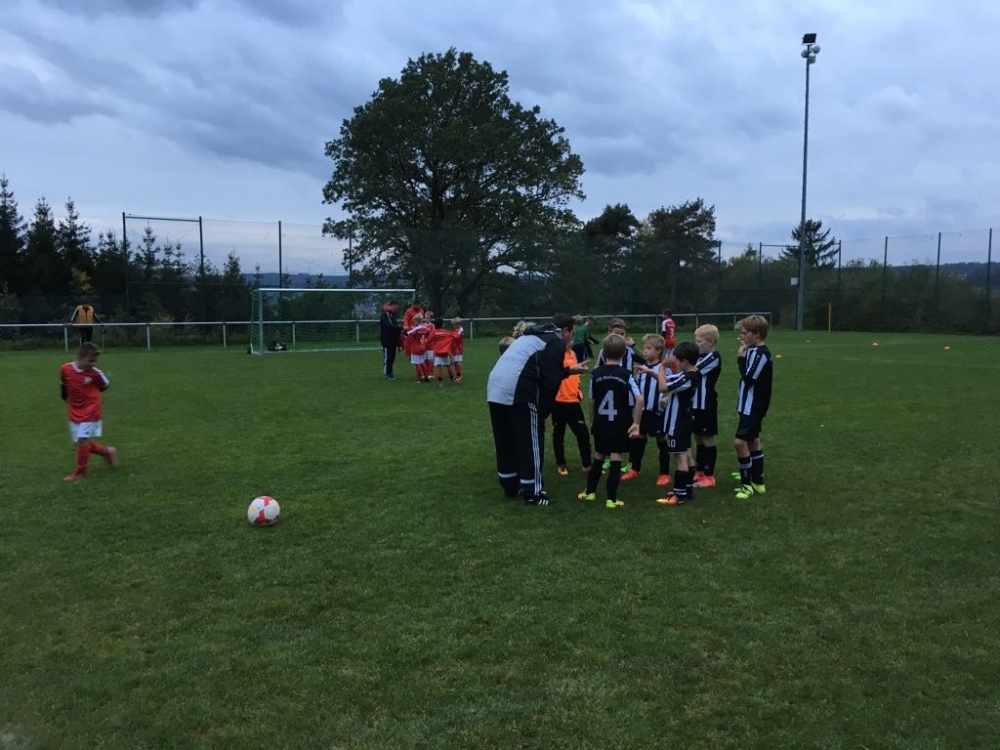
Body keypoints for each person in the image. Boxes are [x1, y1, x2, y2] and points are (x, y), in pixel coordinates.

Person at [486, 313, 587, 506]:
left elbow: (541, 368)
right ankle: (533, 493)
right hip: (519, 389)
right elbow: (550, 381)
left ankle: (510, 485)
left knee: (505, 439)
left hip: (495, 387)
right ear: (565, 331)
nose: (571, 339)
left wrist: (568, 371)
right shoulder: (556, 341)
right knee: (530, 441)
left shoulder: (532, 336)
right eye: (572, 334)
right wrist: (543, 414)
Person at [577, 334, 643, 509]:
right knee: (616, 456)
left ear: (603, 353)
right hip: (620, 423)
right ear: (623, 354)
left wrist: (592, 421)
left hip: (601, 422)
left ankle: (589, 492)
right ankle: (611, 499)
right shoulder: (626, 374)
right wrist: (636, 423)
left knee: (598, 455)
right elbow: (640, 399)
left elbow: (591, 401)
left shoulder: (596, 374)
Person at [640, 341, 700, 506]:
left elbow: (662, 386)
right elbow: (668, 379)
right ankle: (686, 490)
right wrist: (650, 371)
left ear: (684, 361)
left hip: (678, 422)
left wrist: (661, 367)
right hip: (685, 421)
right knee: (687, 455)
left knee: (680, 457)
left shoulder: (688, 377)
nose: (676, 363)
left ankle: (679, 495)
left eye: (678, 361)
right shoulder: (693, 373)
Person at [60, 341, 119, 482]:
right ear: (80, 357)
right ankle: (107, 451)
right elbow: (63, 384)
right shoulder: (65, 368)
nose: (93, 363)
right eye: (90, 360)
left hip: (91, 409)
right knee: (80, 443)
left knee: (82, 440)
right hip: (74, 409)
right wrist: (66, 398)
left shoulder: (95, 373)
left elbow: (105, 385)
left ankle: (80, 472)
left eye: (95, 361)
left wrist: (91, 395)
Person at [621, 333, 672, 486]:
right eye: (644, 347)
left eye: (649, 348)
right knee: (639, 439)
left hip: (657, 412)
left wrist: (667, 398)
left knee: (661, 441)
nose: (645, 350)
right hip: (642, 412)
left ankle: (664, 473)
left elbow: (672, 386)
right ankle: (635, 469)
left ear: (658, 350)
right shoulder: (641, 368)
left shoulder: (663, 368)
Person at [733, 315, 773, 500]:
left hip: (753, 407)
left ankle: (746, 485)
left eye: (744, 333)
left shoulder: (761, 354)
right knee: (753, 441)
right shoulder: (752, 350)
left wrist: (740, 359)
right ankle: (758, 481)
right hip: (747, 406)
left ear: (756, 334)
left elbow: (749, 379)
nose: (742, 337)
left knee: (739, 442)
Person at [552, 342, 592, 477]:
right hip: (559, 402)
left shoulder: (573, 354)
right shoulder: (556, 355)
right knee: (559, 435)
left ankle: (587, 464)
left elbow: (575, 376)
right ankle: (561, 464)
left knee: (583, 434)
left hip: (573, 402)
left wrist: (577, 389)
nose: (571, 340)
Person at [691, 324, 723, 488]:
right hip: (694, 404)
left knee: (707, 438)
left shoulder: (713, 357)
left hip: (706, 404)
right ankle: (699, 471)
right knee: (698, 437)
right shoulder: (698, 357)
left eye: (699, 341)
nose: (696, 345)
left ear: (711, 342)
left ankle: (709, 476)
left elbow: (693, 372)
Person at [428, 319, 457, 386]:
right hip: (445, 352)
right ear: (442, 325)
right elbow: (455, 336)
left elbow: (428, 340)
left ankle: (441, 382)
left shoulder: (434, 332)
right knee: (448, 366)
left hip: (438, 353)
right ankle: (452, 379)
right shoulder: (446, 332)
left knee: (439, 368)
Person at [379, 300, 402, 380]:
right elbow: (390, 326)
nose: (397, 310)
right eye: (396, 308)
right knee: (388, 357)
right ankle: (387, 373)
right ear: (391, 306)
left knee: (392, 357)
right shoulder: (386, 315)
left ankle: (390, 372)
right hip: (387, 341)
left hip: (393, 341)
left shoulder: (393, 316)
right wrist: (399, 328)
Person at [406, 314, 432, 383]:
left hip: (416, 348)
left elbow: (407, 333)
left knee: (417, 363)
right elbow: (428, 334)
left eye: (414, 321)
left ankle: (419, 379)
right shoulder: (425, 328)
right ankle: (426, 377)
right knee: (422, 362)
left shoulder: (416, 328)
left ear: (417, 321)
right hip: (422, 347)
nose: (414, 323)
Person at [450, 317, 465, 382]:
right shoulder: (456, 330)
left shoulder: (461, 329)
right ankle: (457, 374)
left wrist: (450, 334)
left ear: (458, 324)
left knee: (458, 362)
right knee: (455, 362)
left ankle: (459, 375)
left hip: (458, 348)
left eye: (454, 324)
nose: (453, 325)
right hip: (455, 348)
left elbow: (456, 337)